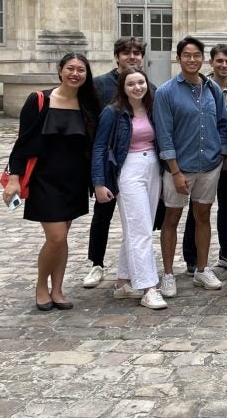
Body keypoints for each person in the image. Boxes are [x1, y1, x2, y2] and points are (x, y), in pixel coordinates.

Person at [3, 53, 101, 311]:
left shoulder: (87, 105)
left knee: (63, 236)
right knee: (56, 237)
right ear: (60, 70)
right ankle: (40, 286)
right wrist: (14, 179)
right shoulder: (39, 99)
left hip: (74, 181)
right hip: (44, 180)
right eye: (70, 68)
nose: (75, 73)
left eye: (81, 69)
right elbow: (22, 142)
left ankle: (57, 289)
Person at [154, 36, 227, 298]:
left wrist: (221, 152)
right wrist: (174, 171)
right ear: (178, 58)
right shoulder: (165, 92)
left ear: (203, 58)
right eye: (187, 55)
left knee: (203, 217)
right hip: (180, 167)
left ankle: (202, 268)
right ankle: (169, 274)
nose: (192, 59)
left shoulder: (213, 90)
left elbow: (222, 123)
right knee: (171, 219)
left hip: (208, 165)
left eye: (197, 55)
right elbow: (164, 134)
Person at [90, 66, 167, 310]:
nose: (137, 87)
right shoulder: (112, 113)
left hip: (153, 167)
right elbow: (100, 148)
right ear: (123, 88)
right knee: (140, 229)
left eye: (141, 82)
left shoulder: (152, 108)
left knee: (139, 227)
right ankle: (148, 287)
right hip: (128, 169)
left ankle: (123, 282)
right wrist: (99, 183)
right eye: (131, 84)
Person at [83, 36, 149, 289]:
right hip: (109, 161)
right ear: (117, 56)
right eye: (126, 53)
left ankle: (130, 266)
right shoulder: (100, 85)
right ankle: (96, 263)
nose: (132, 57)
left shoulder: (147, 86)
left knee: (138, 219)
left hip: (136, 162)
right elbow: (90, 122)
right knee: (103, 214)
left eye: (136, 53)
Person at [183, 43, 227, 274]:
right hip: (205, 158)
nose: (224, 65)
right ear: (211, 63)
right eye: (219, 61)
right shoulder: (200, 88)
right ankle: (191, 256)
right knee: (197, 209)